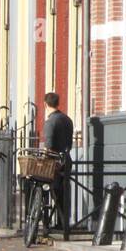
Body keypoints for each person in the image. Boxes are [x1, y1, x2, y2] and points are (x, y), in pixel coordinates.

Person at [41, 92, 73, 231]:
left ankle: (47, 221)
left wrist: (44, 158)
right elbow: (70, 143)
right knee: (64, 192)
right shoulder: (67, 119)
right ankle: (63, 222)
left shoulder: (50, 122)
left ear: (45, 104)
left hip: (54, 162)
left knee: (51, 190)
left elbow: (48, 145)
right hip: (66, 159)